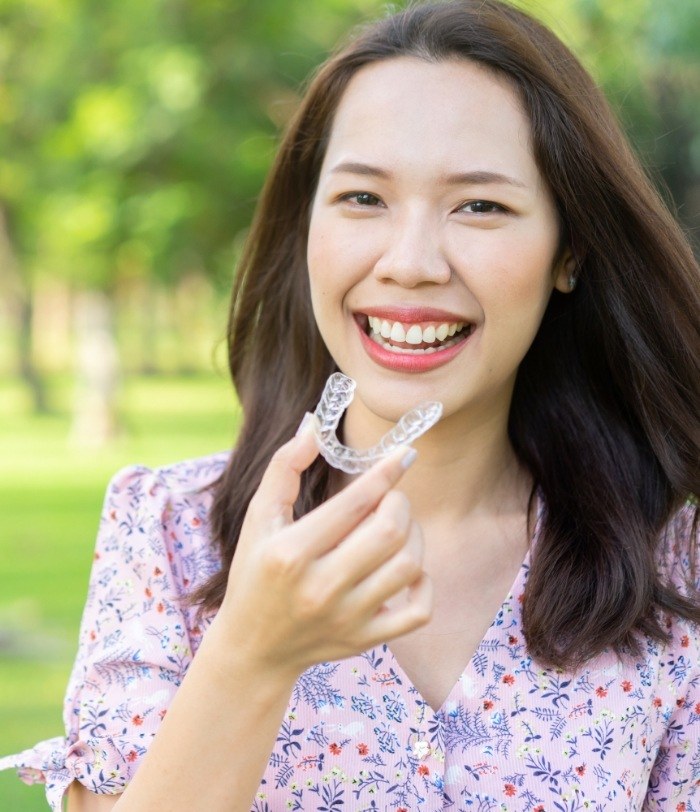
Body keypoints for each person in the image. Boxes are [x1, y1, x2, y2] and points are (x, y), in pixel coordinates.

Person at [2, 0, 699, 809]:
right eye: (364, 199)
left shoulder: (673, 569)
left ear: (567, 252)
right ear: (308, 228)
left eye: (481, 205)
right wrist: (252, 655)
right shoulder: (166, 535)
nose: (410, 264)